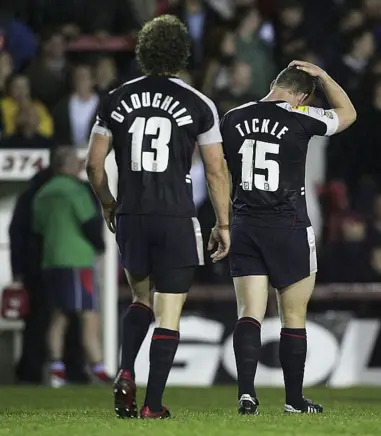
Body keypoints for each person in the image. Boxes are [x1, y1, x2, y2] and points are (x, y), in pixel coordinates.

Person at [85, 15, 231, 419]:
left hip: (132, 214)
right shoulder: (199, 102)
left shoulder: (116, 98)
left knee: (140, 299)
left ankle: (126, 370)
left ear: (142, 52)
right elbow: (216, 169)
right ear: (182, 53)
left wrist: (109, 204)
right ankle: (151, 405)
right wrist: (223, 224)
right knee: (170, 311)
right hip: (176, 217)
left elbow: (94, 166)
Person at [220, 60, 356, 414]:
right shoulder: (301, 116)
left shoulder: (233, 117)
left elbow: (218, 171)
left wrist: (221, 220)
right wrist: (324, 77)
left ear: (273, 84)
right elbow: (348, 114)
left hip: (246, 225)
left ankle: (246, 394)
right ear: (302, 96)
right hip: (289, 226)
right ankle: (294, 400)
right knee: (292, 316)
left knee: (249, 312)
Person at [31, 147, 107, 387]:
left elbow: (38, 229)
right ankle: (99, 368)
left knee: (59, 316)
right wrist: (100, 246)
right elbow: (89, 223)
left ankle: (56, 369)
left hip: (51, 260)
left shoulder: (43, 193)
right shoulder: (75, 190)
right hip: (77, 261)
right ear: (69, 165)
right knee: (89, 315)